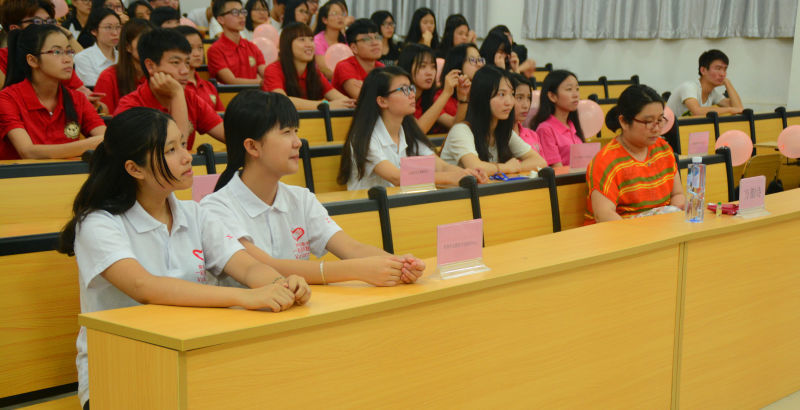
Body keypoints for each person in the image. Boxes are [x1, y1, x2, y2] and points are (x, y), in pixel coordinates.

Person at [58, 107, 310, 410]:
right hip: (120, 370)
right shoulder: (98, 223)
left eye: (182, 144)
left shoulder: (195, 214)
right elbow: (144, 287)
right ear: (135, 169)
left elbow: (246, 265)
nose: (187, 156)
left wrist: (281, 284)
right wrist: (246, 297)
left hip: (192, 356)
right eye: (171, 150)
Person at [202, 90, 425, 287]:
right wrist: (355, 270)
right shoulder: (214, 209)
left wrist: (399, 264)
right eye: (286, 132)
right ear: (252, 146)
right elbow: (264, 266)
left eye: (296, 131)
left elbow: (352, 249)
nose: (297, 142)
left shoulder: (301, 198)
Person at [338, 65, 486, 190]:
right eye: (404, 90)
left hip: (401, 205)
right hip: (370, 211)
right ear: (382, 101)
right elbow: (397, 177)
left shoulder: (409, 133)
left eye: (411, 88)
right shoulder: (364, 138)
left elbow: (441, 167)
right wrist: (451, 178)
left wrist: (468, 174)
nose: (412, 95)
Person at [0, 24, 106, 159]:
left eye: (69, 51)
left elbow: (107, 139)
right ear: (32, 60)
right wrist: (92, 144)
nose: (68, 59)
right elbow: (28, 151)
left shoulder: (77, 99)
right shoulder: (7, 99)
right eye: (57, 52)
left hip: (69, 172)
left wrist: (100, 141)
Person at [586, 85, 686, 223]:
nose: (656, 128)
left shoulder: (663, 149)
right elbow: (604, 215)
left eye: (660, 120)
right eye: (648, 122)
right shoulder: (606, 161)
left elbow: (678, 194)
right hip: (621, 232)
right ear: (624, 122)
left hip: (661, 229)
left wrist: (671, 219)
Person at [115, 28, 224, 150]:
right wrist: (177, 95)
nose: (185, 71)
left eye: (187, 63)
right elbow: (177, 149)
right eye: (176, 62)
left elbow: (229, 135)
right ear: (150, 66)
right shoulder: (130, 107)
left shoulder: (191, 98)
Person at [440, 65, 546, 175]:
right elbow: (476, 167)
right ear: (483, 97)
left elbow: (540, 161)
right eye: (501, 94)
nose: (509, 102)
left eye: (512, 94)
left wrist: (514, 167)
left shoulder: (503, 131)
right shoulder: (461, 130)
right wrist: (506, 167)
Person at [262, 22, 353, 110]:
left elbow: (339, 98)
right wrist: (326, 105)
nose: (309, 45)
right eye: (302, 40)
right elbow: (282, 101)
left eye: (311, 40)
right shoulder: (273, 70)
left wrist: (350, 103)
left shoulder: (314, 72)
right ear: (287, 45)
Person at [0, 0, 86, 92]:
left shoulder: (55, 57)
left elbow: (83, 92)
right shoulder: (2, 58)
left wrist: (67, 35)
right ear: (14, 28)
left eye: (49, 22)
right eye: (37, 22)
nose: (45, 28)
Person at [397, 43, 460, 134]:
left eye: (433, 66)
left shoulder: (429, 98)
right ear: (408, 67)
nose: (429, 72)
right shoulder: (398, 97)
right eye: (422, 66)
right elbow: (418, 132)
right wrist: (446, 93)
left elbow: (456, 126)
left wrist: (463, 99)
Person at [93, 18, 152, 114]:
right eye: (143, 42)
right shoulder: (108, 77)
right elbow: (104, 117)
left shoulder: (159, 76)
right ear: (127, 47)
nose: (149, 47)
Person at [531, 69, 585, 167]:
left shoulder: (572, 126)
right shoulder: (545, 129)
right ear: (552, 96)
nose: (575, 95)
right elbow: (557, 170)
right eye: (569, 89)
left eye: (577, 89)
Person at [666, 49, 744, 117]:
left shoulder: (713, 93)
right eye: (718, 68)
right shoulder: (689, 87)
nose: (722, 74)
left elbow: (739, 108)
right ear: (703, 70)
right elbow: (697, 111)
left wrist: (727, 83)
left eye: (725, 69)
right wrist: (730, 110)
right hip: (669, 129)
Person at [207, 0, 266, 84]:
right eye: (235, 12)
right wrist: (263, 82)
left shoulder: (252, 47)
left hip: (256, 91)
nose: (241, 16)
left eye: (242, 12)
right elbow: (232, 81)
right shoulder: (215, 50)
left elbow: (266, 74)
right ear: (221, 19)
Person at [434, 43, 482, 131]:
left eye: (480, 59)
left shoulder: (481, 91)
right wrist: (463, 100)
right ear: (458, 63)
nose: (479, 64)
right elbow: (455, 127)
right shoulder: (440, 97)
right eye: (473, 60)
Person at [332, 18, 384, 99]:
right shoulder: (344, 66)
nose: (375, 43)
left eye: (377, 37)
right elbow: (363, 98)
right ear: (354, 48)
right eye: (367, 39)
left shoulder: (380, 67)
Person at [176, 25, 224, 111]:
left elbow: (220, 115)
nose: (197, 54)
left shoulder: (209, 86)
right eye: (190, 48)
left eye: (200, 48)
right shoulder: (174, 86)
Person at [73, 8, 119, 86]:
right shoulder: (83, 58)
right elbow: (97, 88)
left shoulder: (123, 57)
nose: (115, 33)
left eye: (118, 27)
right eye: (108, 27)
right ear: (94, 31)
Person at [508, 72, 543, 156]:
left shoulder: (533, 135)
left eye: (528, 98)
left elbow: (543, 163)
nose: (526, 105)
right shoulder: (496, 137)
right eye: (519, 98)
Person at [312, 0, 347, 79]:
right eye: (334, 14)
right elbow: (325, 70)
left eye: (342, 14)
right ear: (325, 20)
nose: (340, 17)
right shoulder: (317, 41)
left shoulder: (346, 39)